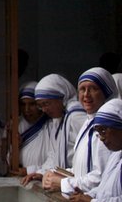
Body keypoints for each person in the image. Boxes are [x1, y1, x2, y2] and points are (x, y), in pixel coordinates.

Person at [53, 68, 118, 197]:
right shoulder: (88, 122)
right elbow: (82, 169)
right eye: (82, 89)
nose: (86, 94)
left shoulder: (108, 129)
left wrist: (63, 183)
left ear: (106, 92)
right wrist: (55, 174)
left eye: (93, 88)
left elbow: (101, 177)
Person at [69, 98, 122, 202]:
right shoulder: (115, 155)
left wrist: (90, 201)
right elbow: (103, 188)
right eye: (99, 133)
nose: (101, 138)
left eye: (103, 131)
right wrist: (88, 195)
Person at [17, 81, 52, 174]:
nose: (27, 109)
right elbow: (6, 162)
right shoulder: (16, 125)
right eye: (23, 104)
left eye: (32, 104)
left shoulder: (51, 125)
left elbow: (56, 160)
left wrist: (30, 171)